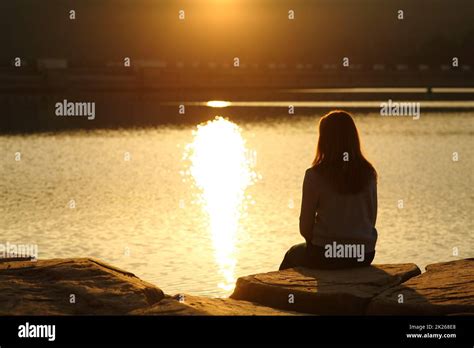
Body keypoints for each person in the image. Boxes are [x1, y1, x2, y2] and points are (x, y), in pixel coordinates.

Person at [279, 110, 378, 270]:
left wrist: (318, 242)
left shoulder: (314, 175)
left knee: (291, 255)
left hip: (325, 253)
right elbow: (371, 218)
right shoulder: (368, 173)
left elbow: (305, 227)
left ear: (324, 140)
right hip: (363, 254)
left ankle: (281, 293)